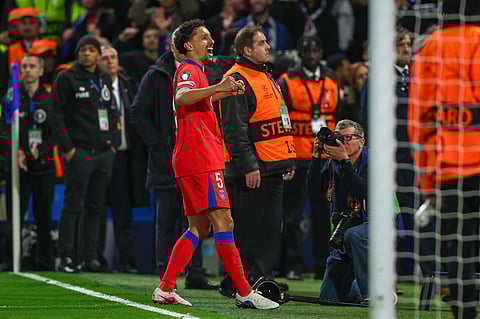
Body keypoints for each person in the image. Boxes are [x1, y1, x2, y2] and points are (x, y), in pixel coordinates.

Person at [150, 19, 279, 309]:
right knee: (225, 222)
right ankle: (243, 291)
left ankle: (167, 287)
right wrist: (219, 86)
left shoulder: (200, 73)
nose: (211, 42)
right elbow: (182, 98)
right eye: (204, 38)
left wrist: (223, 91)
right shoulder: (189, 69)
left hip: (193, 156)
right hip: (200, 156)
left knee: (199, 227)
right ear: (189, 45)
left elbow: (197, 102)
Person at [408, 1, 480, 318]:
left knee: (456, 241)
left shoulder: (429, 50)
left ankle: (461, 303)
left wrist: (426, 180)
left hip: (449, 167)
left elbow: (417, 122)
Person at [130, 29, 217, 289]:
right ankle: (165, 274)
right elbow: (138, 113)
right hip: (166, 160)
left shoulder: (201, 71)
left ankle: (196, 273)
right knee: (167, 220)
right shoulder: (157, 75)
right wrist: (158, 145)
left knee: (196, 218)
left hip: (196, 156)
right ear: (177, 45)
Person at [220, 25, 296, 292]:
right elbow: (234, 129)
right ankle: (235, 281)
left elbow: (278, 123)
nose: (268, 47)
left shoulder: (264, 76)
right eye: (261, 43)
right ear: (246, 50)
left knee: (270, 230)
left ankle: (262, 278)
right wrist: (249, 166)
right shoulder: (236, 80)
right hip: (254, 170)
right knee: (247, 230)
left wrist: (288, 159)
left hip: (274, 166)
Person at [53, 35, 119, 273]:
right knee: (73, 205)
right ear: (78, 53)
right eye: (84, 50)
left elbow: (112, 111)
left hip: (103, 152)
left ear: (98, 54)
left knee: (96, 206)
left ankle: (89, 257)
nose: (88, 54)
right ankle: (66, 257)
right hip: (80, 152)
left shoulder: (103, 78)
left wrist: (114, 143)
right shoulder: (66, 78)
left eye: (92, 50)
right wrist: (68, 149)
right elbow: (57, 114)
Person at [277, 35, 338, 281]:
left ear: (321, 51)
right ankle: (293, 265)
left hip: (324, 159)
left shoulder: (332, 79)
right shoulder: (287, 80)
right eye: (307, 49)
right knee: (291, 216)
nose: (312, 54)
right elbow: (280, 120)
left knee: (323, 216)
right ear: (299, 53)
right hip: (296, 156)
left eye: (316, 49)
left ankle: (323, 266)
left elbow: (339, 114)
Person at [0, 54, 57, 270]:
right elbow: (4, 130)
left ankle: (46, 263)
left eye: (32, 66)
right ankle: (10, 260)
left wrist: (37, 152)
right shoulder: (12, 97)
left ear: (41, 71)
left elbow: (56, 133)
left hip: (44, 167)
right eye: (24, 66)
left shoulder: (49, 98)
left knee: (43, 217)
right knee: (15, 216)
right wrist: (17, 153)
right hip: (18, 168)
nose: (27, 70)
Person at [306, 119, 368, 304]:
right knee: (328, 298)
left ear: (362, 141)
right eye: (339, 138)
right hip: (344, 234)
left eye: (348, 138)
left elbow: (362, 192)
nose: (343, 142)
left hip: (375, 228)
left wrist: (345, 161)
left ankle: (374, 293)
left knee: (354, 235)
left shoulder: (374, 160)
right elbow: (313, 191)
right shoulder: (334, 163)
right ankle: (356, 288)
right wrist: (316, 158)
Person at [100, 45, 148, 273]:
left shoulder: (127, 84)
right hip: (100, 154)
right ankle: (95, 258)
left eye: (112, 57)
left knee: (122, 211)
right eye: (105, 58)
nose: (109, 61)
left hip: (124, 156)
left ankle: (127, 261)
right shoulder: (95, 85)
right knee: (97, 208)